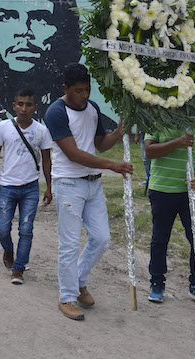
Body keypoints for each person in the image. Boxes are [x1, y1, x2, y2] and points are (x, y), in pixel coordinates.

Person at [43, 63, 132, 321]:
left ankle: (79, 281)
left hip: (93, 184)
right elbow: (73, 154)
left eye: (87, 89)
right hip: (69, 184)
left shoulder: (92, 108)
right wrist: (113, 166)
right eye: (79, 91)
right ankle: (67, 297)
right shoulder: (56, 112)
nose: (84, 95)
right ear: (65, 89)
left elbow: (99, 145)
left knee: (102, 238)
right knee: (69, 244)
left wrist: (117, 133)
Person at [0, 88, 53, 284]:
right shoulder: (4, 127)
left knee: (26, 229)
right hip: (7, 187)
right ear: (14, 106)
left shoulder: (41, 131)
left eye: (28, 105)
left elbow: (47, 160)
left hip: (30, 188)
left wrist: (49, 186)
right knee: (2, 229)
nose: (24, 109)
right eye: (20, 104)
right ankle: (8, 250)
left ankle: (18, 268)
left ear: (35, 108)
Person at [145, 120, 195, 306]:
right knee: (160, 239)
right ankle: (157, 283)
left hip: (191, 191)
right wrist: (178, 142)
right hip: (161, 189)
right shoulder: (158, 118)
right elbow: (149, 151)